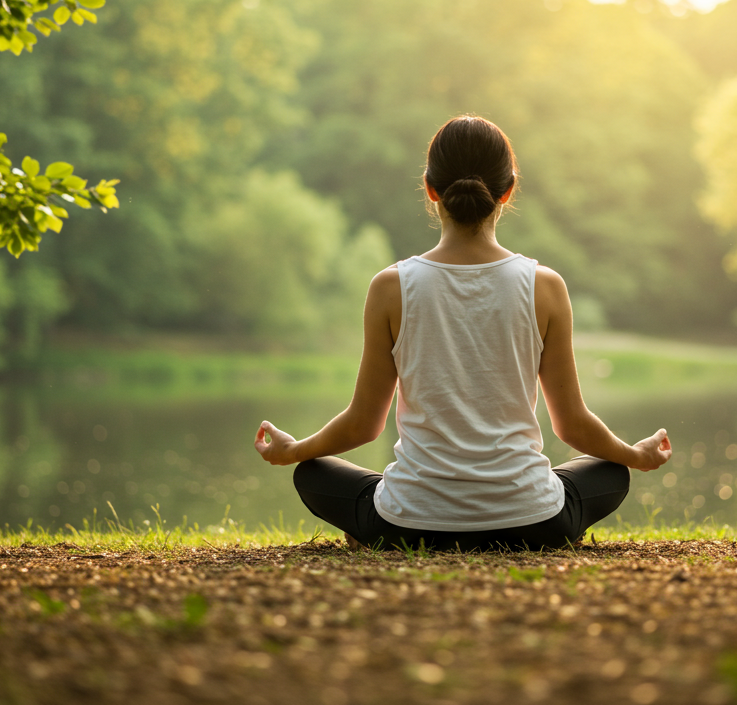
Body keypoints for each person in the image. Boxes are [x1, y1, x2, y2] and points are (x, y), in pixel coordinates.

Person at [253, 115, 672, 550]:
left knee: (314, 473)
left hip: (406, 527)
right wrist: (634, 456)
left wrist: (295, 450)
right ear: (508, 192)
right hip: (535, 523)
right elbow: (573, 426)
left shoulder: (391, 286)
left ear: (431, 189)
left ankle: (386, 520)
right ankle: (534, 514)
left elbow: (363, 425)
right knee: (610, 472)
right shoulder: (545, 286)